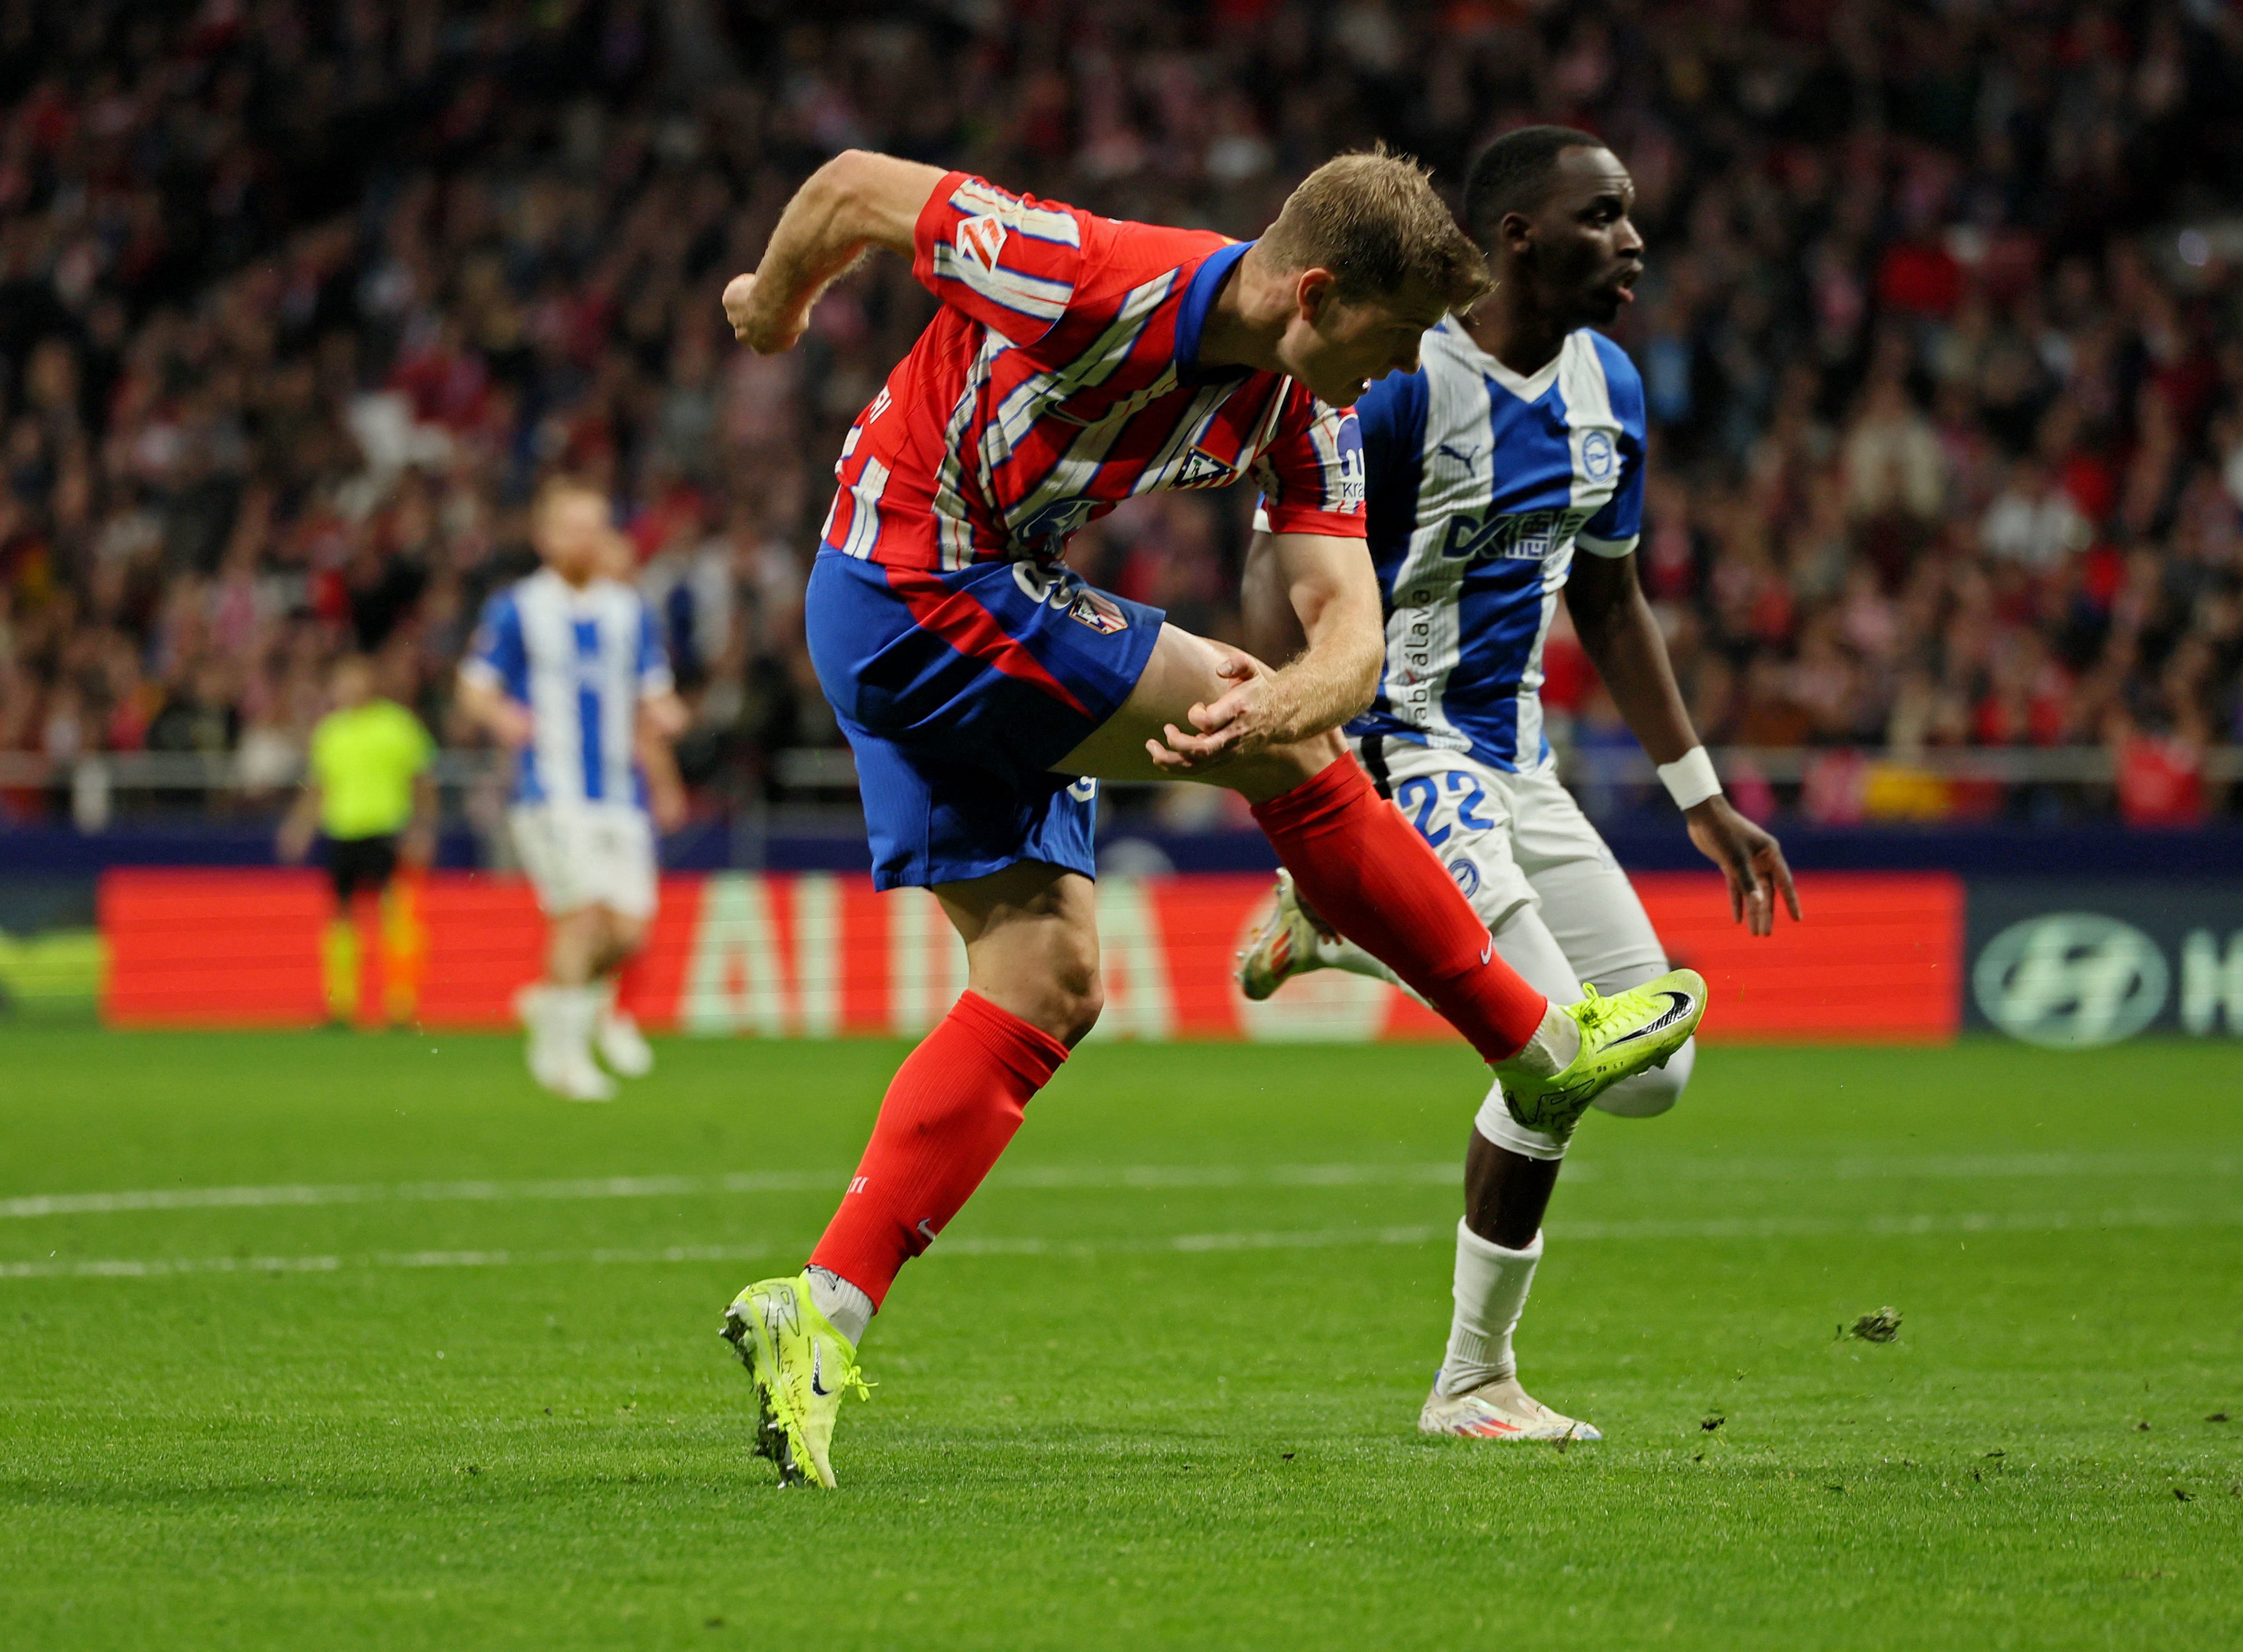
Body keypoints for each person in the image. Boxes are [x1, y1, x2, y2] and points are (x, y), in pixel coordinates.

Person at [713, 145, 1710, 1488]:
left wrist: (1297, 693)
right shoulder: (1080, 271)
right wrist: (775, 307)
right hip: (912, 581)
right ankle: (1536, 1042)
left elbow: (1348, 634)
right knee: (1280, 748)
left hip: (975, 593)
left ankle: (816, 1315)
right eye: (1397, 332)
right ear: (1315, 293)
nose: (1406, 365)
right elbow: (842, 187)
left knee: (1050, 979)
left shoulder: (1308, 405)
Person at [1235, 127, 1800, 1441]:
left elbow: (1608, 595)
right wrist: (1304, 762)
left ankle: (1354, 932)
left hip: (1518, 767)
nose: (1634, 240)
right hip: (1403, 750)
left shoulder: (1613, 387)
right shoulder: (1402, 385)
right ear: (1517, 239)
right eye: (1603, 215)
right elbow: (1282, 582)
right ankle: (1471, 1381)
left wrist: (1699, 794)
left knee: (1652, 1072)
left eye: (1633, 214)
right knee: (1551, 1058)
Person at [456, 478, 690, 1101]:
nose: (585, 538)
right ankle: (562, 1058)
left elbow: (652, 691)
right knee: (582, 916)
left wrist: (669, 714)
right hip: (551, 792)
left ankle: (551, 1001)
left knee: (630, 933)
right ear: (545, 536)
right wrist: (501, 715)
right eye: (572, 526)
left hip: (621, 795)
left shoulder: (629, 612)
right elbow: (473, 686)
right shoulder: (518, 607)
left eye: (595, 525)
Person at [277, 653, 438, 1028]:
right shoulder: (330, 731)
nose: (347, 688)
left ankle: (402, 1005)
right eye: (341, 682)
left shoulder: (398, 725)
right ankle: (341, 1006)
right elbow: (318, 787)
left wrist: (423, 828)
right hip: (343, 830)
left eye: (354, 680)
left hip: (387, 829)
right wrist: (300, 827)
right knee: (342, 917)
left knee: (395, 917)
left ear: (370, 682)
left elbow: (423, 782)